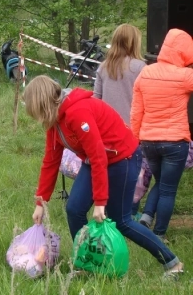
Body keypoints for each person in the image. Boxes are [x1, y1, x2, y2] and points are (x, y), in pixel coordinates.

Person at [24, 75, 183, 278]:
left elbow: (99, 156)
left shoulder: (77, 113)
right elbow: (50, 162)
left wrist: (100, 202)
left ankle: (172, 262)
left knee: (121, 220)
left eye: (36, 112)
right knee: (74, 209)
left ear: (44, 104)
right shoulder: (54, 121)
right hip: (95, 161)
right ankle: (87, 264)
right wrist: (40, 201)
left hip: (122, 158)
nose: (37, 119)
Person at [131, 28, 193, 241]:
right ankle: (159, 234)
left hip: (148, 141)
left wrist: (135, 138)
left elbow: (136, 111)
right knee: (168, 189)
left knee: (161, 182)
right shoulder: (186, 76)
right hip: (176, 142)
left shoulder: (145, 72)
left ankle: (147, 217)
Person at [93, 23, 150, 221]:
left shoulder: (103, 67)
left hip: (105, 132)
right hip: (133, 131)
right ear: (135, 42)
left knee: (108, 172)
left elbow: (96, 100)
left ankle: (108, 211)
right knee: (137, 174)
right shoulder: (140, 67)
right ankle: (130, 213)